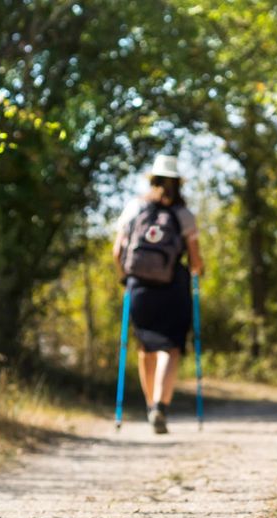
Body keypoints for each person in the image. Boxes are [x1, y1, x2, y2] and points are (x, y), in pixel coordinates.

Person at [113, 154, 204, 434]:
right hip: (173, 287)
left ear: (152, 179)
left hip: (138, 286)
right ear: (178, 183)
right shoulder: (183, 215)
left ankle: (150, 404)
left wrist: (124, 277)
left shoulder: (134, 209)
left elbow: (118, 251)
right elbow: (195, 260)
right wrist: (198, 270)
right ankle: (160, 408)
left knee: (145, 347)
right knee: (170, 347)